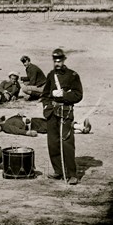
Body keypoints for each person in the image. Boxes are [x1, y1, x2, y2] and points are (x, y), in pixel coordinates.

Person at [41, 48, 83, 185]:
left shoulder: (73, 75)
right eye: (55, 61)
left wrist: (64, 95)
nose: (57, 63)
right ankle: (58, 171)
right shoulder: (51, 75)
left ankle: (72, 174)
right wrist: (46, 106)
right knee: (52, 143)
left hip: (65, 113)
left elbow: (78, 95)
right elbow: (45, 94)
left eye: (59, 60)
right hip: (52, 113)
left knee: (67, 143)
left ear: (64, 60)